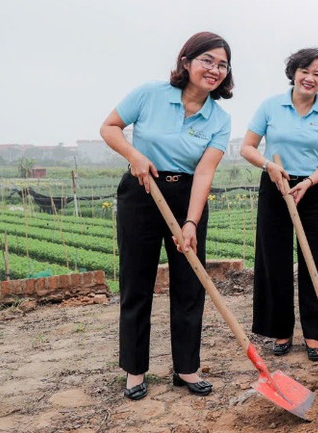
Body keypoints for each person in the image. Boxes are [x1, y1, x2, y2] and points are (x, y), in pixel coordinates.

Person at [100, 32, 234, 400]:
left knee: (190, 284)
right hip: (141, 191)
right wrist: (134, 156)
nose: (215, 69)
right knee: (136, 281)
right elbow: (109, 127)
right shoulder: (150, 94)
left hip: (186, 196)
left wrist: (191, 222)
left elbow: (205, 172)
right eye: (207, 60)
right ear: (186, 62)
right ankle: (135, 370)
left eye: (222, 64)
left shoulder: (219, 119)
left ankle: (186, 368)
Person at [240, 48, 318, 362]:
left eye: (317, 74)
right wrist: (268, 165)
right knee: (274, 259)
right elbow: (247, 147)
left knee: (315, 259)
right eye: (304, 71)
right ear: (293, 73)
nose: (310, 78)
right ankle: (280, 330)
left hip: (311, 189)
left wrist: (308, 182)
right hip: (275, 185)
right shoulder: (271, 106)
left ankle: (315, 333)